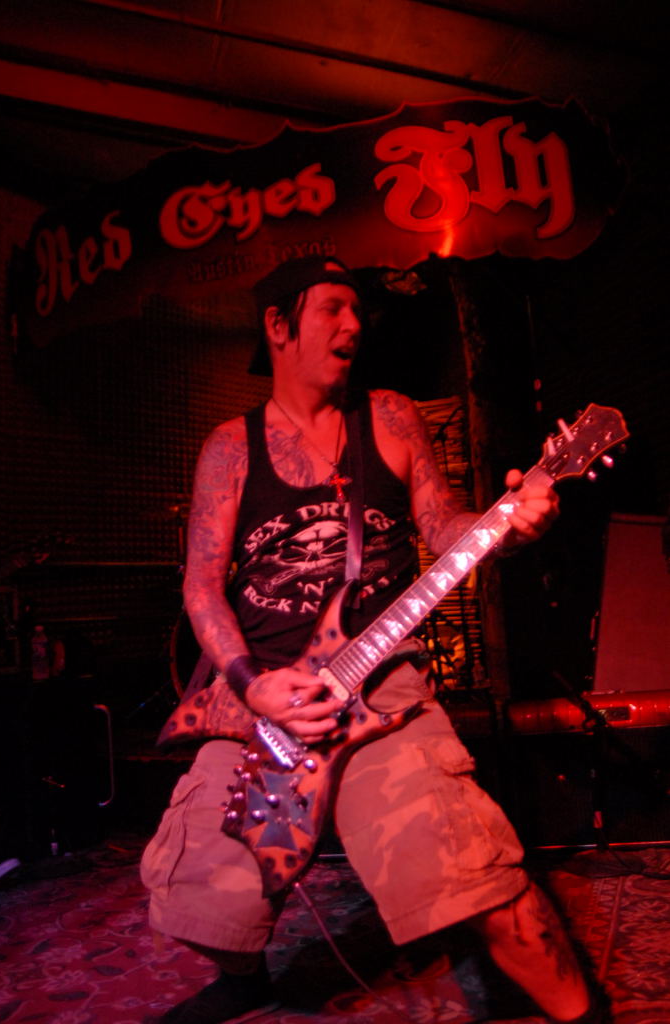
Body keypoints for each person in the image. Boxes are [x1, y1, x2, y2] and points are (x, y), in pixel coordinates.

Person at [141, 255, 608, 1024]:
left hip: (379, 684)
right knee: (199, 898)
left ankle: (584, 1016)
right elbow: (200, 585)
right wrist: (252, 684)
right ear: (278, 325)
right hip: (259, 696)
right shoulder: (230, 447)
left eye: (357, 309)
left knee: (478, 881)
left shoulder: (390, 418)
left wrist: (513, 522)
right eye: (331, 307)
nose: (353, 324)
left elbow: (444, 526)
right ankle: (244, 978)